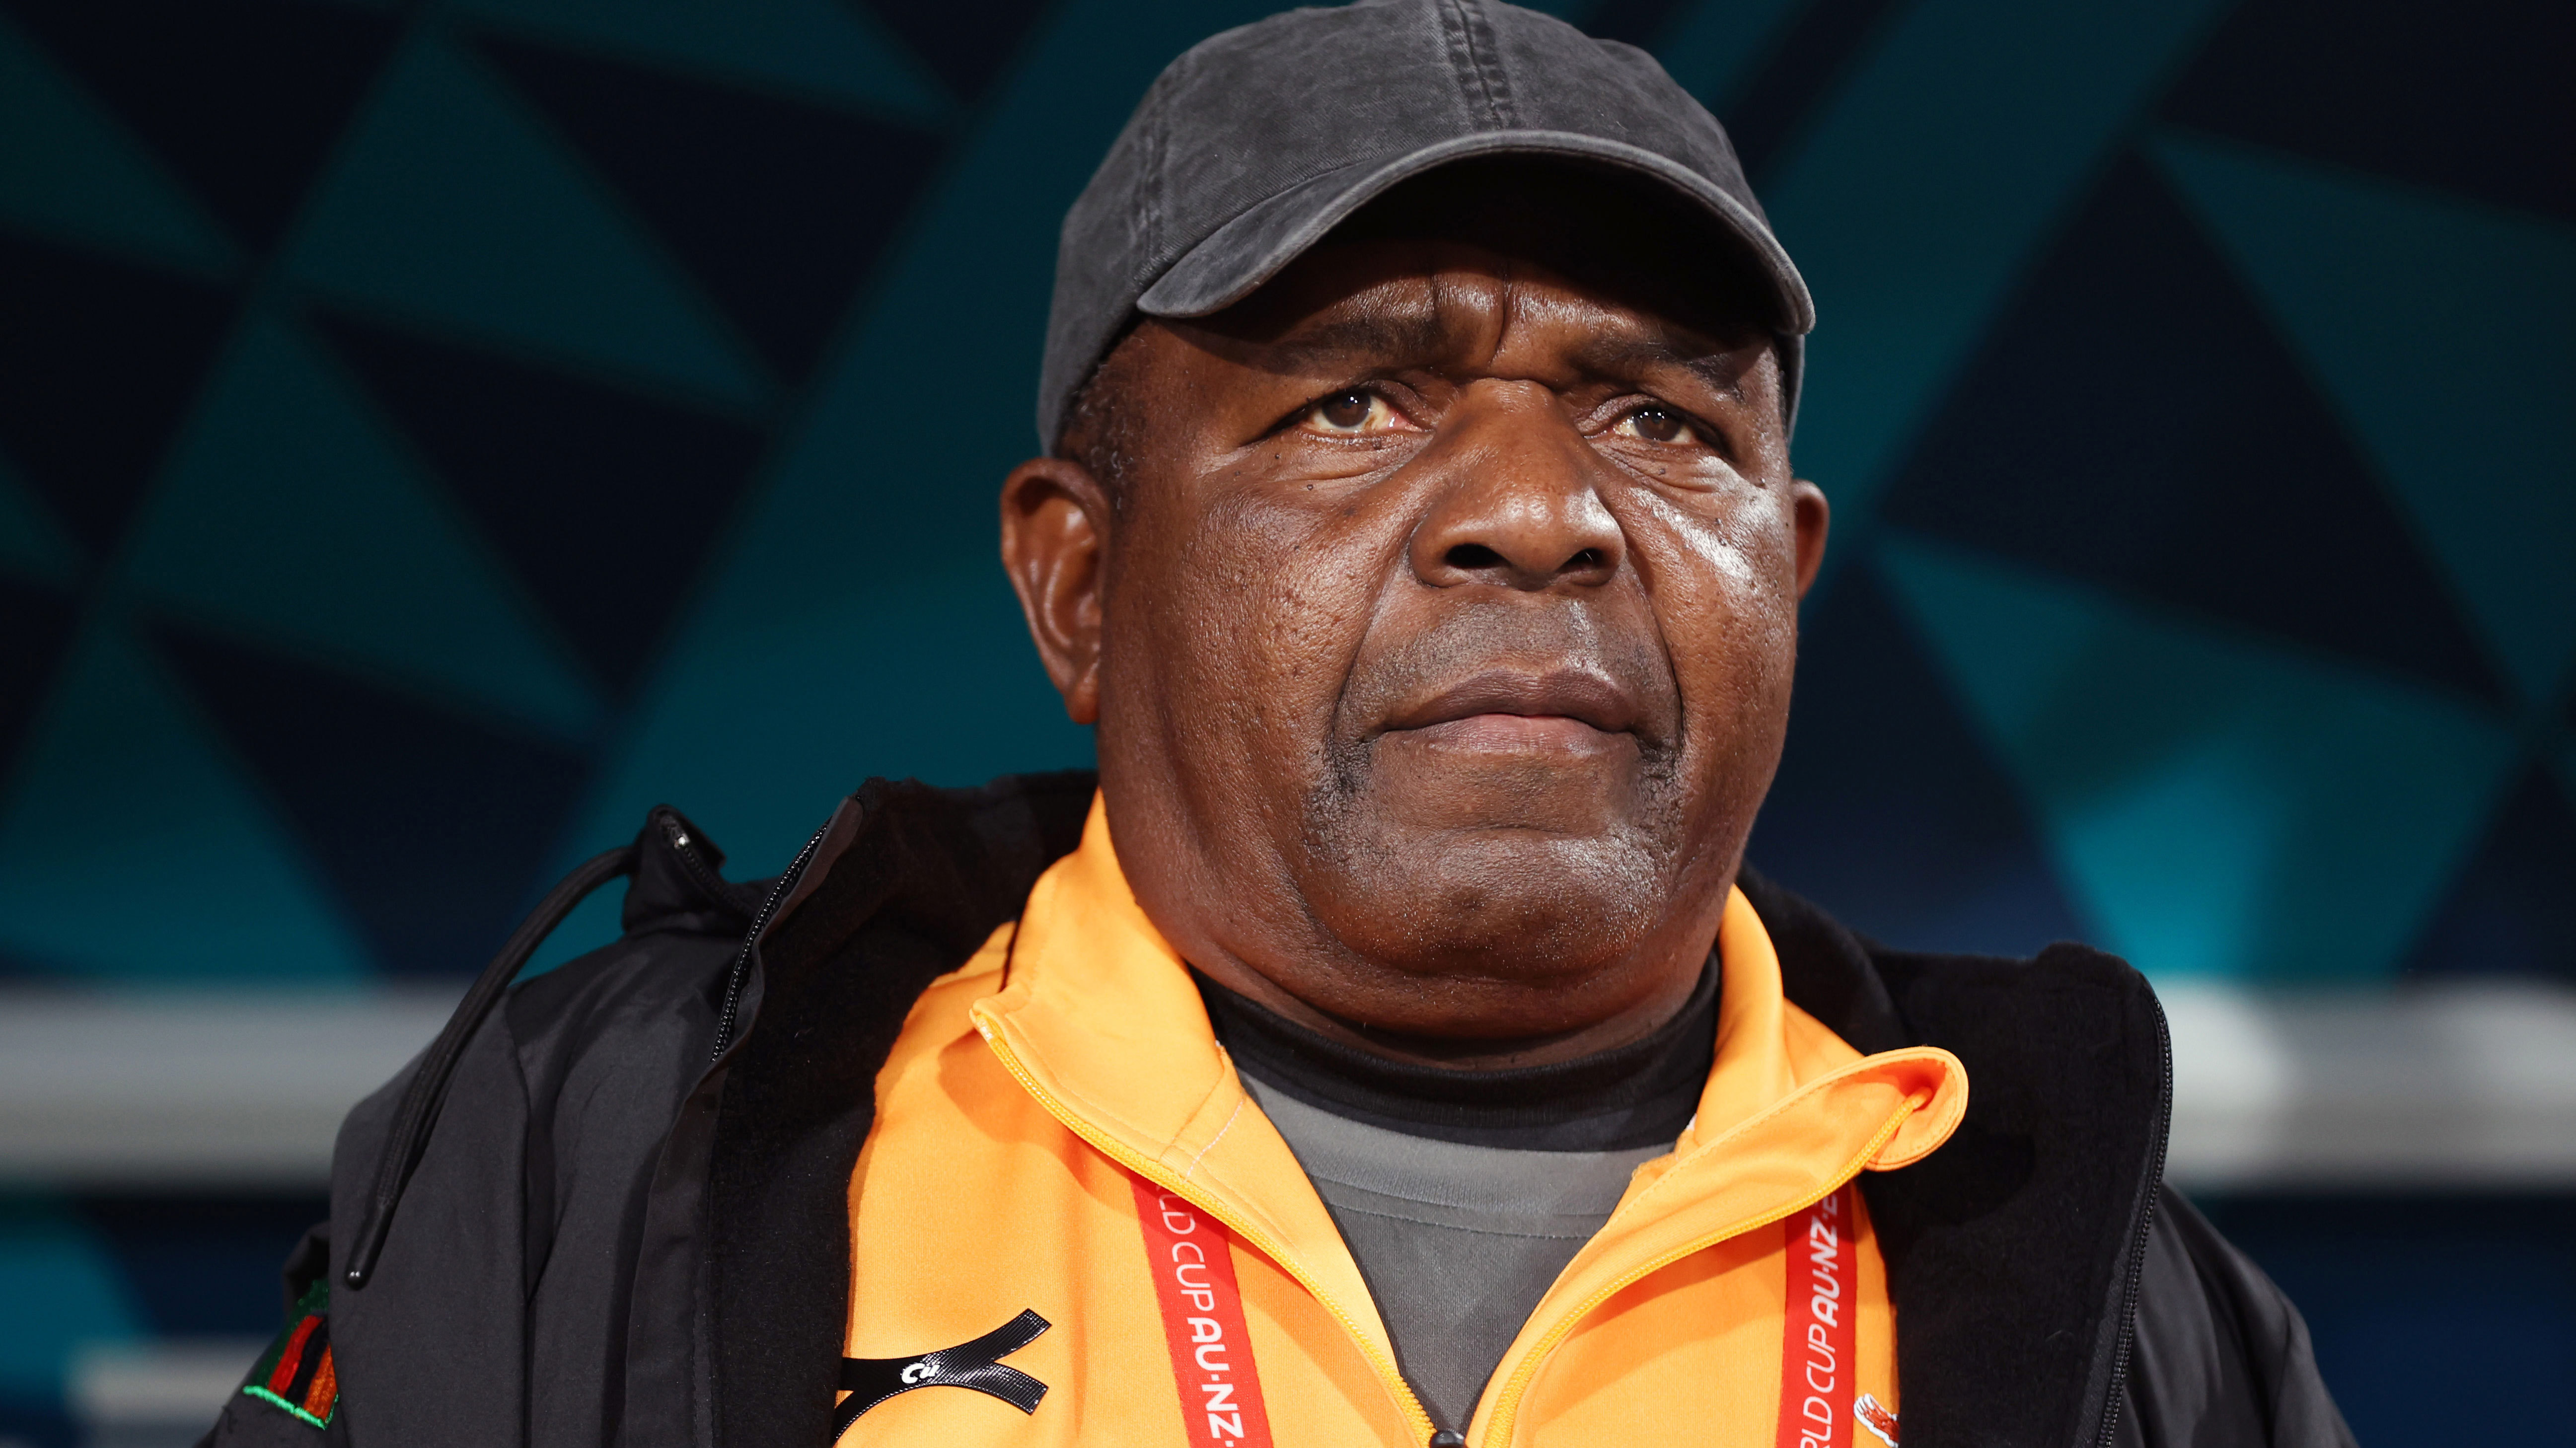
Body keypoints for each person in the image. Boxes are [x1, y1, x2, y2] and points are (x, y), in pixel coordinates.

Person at [200, 2, 2353, 1446]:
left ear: (1782, 570)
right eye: (1357, 400)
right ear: (1076, 579)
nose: (1537, 512)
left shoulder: (2094, 1278)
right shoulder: (610, 1161)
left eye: (1655, 414)